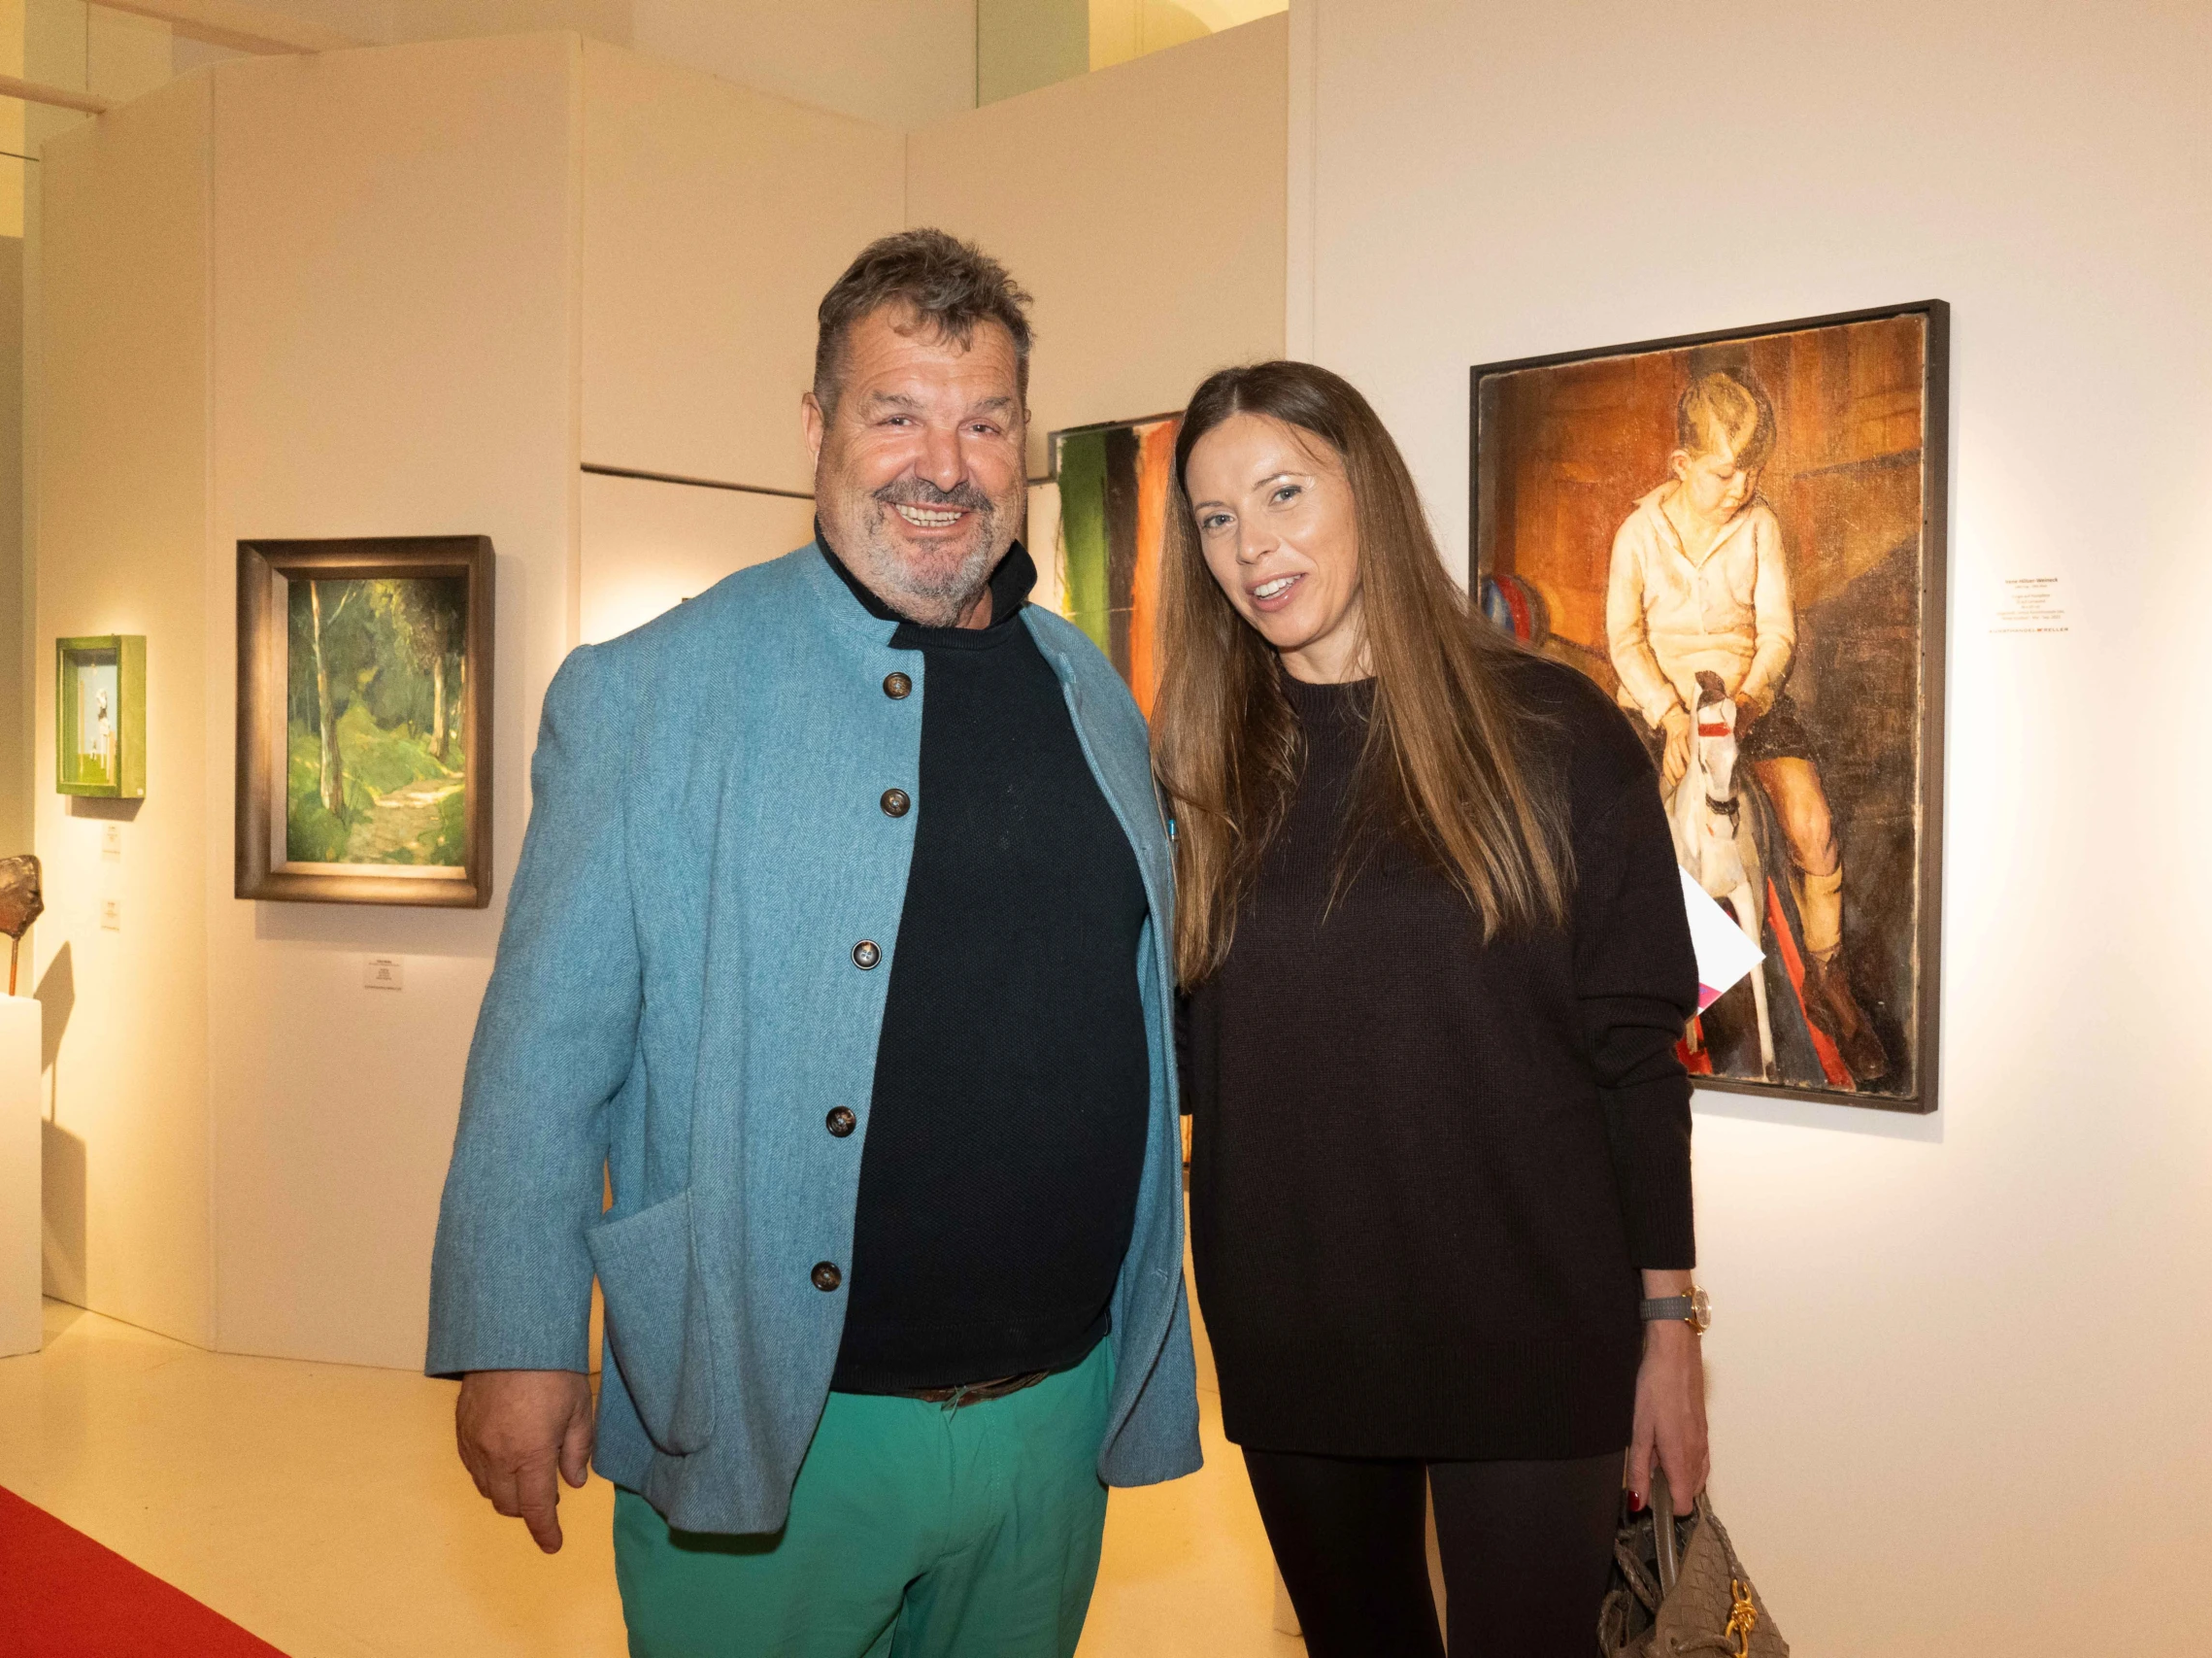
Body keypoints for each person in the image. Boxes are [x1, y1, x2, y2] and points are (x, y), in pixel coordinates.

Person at [425, 229, 1199, 1658]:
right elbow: (539, 1059)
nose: (943, 465)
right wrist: (516, 1336)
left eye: (984, 424)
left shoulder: (1090, 687)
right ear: (815, 426)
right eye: (896, 415)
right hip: (762, 1419)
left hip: (1053, 1414)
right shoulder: (648, 692)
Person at [1160, 360, 1708, 1658]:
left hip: (1529, 1323)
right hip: (1295, 1325)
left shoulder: (1553, 730)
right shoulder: (1196, 766)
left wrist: (1668, 1323)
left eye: (1284, 493)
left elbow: (1636, 1058)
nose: (1251, 545)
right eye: (1217, 517)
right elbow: (1173, 1055)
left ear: (1370, 492)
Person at [1604, 369, 1887, 1078]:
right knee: (1626, 835)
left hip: (1749, 703)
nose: (1742, 486)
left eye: (1753, 470)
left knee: (1813, 825)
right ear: (1683, 464)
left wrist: (1751, 701)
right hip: (1660, 708)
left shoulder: (1760, 525)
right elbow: (1625, 641)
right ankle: (1665, 987)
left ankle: (1827, 979)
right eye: (1726, 472)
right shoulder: (1639, 534)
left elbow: (1779, 634)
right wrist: (1670, 714)